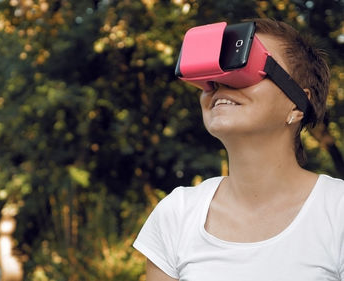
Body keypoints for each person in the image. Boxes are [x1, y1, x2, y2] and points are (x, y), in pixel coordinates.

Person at [133, 18, 344, 281]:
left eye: (243, 69)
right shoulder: (176, 214)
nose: (220, 85)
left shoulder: (337, 211)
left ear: (297, 104)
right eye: (210, 81)